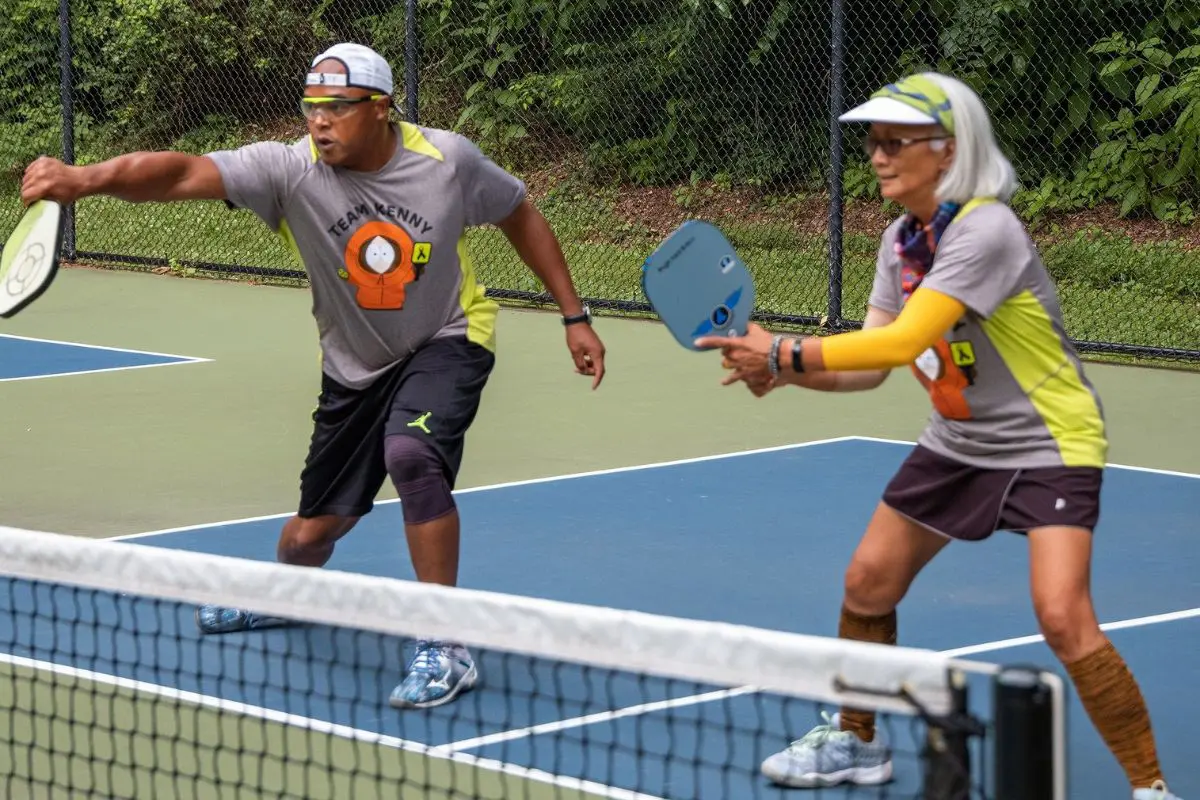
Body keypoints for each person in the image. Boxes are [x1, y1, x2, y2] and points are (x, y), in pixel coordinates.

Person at [20, 42, 608, 710]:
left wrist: (574, 315)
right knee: (308, 538)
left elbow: (518, 212)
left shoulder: (449, 162)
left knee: (413, 455)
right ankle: (289, 593)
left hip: (448, 336)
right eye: (310, 108)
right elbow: (182, 173)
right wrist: (85, 178)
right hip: (354, 366)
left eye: (336, 107)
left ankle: (446, 642)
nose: (318, 121)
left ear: (381, 109)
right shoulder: (288, 170)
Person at [698, 73, 1180, 799]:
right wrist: (788, 373)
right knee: (868, 580)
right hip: (957, 439)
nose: (877, 156)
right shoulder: (902, 241)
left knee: (1062, 614)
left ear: (947, 150)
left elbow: (905, 342)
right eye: (873, 142)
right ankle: (859, 740)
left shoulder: (987, 229)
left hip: (1048, 441)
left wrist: (783, 352)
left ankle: (1150, 789)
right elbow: (871, 362)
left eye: (895, 142)